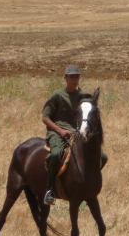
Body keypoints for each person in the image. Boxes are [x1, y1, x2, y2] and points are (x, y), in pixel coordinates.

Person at [42, 65, 108, 205]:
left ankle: (88, 184)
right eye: (71, 76)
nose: (74, 79)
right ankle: (49, 189)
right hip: (57, 133)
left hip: (77, 133)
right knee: (55, 154)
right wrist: (60, 131)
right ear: (65, 78)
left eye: (77, 76)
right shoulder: (57, 95)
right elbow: (45, 118)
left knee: (102, 156)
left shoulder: (81, 96)